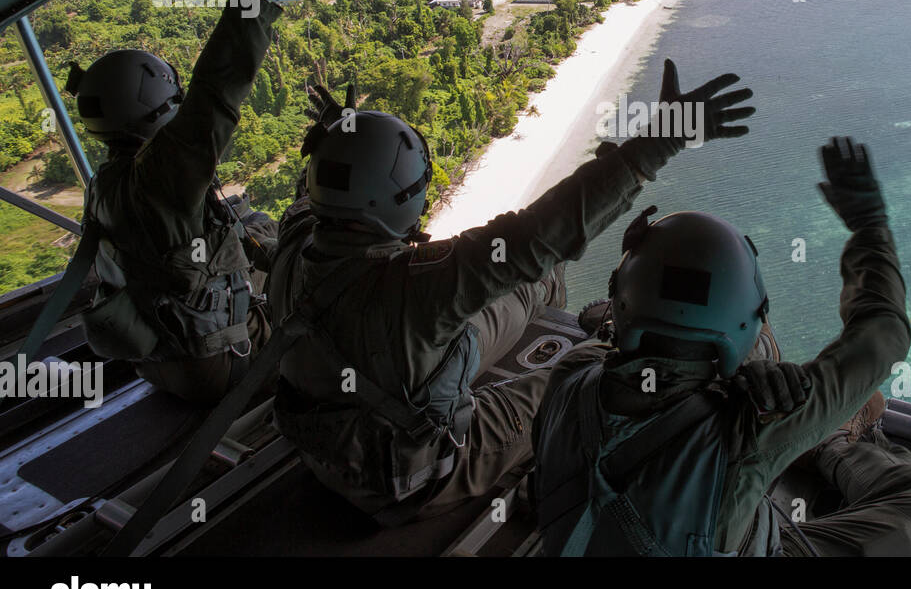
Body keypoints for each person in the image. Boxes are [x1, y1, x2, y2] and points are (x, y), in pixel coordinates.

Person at [267, 60, 755, 526]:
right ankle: (594, 343)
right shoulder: (419, 286)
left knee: (533, 279)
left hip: (324, 447)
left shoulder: (294, 240)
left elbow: (533, 243)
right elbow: (542, 234)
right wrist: (661, 140)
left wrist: (342, 138)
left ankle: (555, 316)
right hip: (407, 475)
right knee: (579, 382)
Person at [531, 136, 911, 556]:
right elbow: (883, 333)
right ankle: (832, 444)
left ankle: (826, 437)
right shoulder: (750, 429)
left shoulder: (572, 373)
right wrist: (870, 226)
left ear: (619, 301)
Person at [66, 0, 281, 406]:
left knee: (250, 221)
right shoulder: (164, 174)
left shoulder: (105, 184)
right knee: (296, 257)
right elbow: (221, 82)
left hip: (154, 366)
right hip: (216, 366)